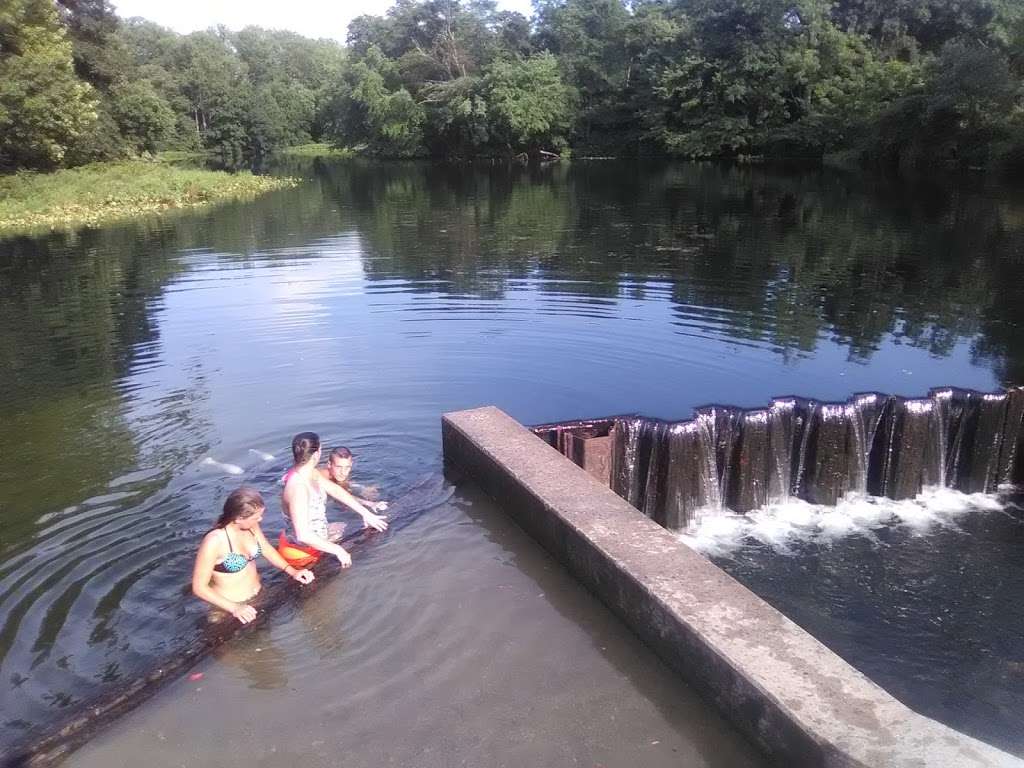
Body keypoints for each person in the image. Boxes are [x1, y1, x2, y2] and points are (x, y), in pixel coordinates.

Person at [192, 487, 314, 625]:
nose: (260, 520)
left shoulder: (250, 526)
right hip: (228, 609)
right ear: (238, 518)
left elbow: (266, 549)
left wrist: (293, 571)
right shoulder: (214, 541)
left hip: (258, 596)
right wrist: (235, 608)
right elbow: (199, 587)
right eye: (256, 517)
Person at [282, 432, 388, 569]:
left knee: (362, 524)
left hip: (317, 535)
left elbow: (336, 490)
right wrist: (338, 550)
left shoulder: (310, 473)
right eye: (320, 449)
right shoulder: (298, 488)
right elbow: (303, 535)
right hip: (302, 553)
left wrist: (366, 513)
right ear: (316, 454)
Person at [318, 446, 388, 513]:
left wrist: (363, 488)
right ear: (329, 464)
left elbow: (342, 486)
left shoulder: (338, 475)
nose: (343, 472)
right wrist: (369, 503)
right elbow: (338, 493)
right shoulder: (321, 476)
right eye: (339, 467)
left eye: (347, 467)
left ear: (351, 464)